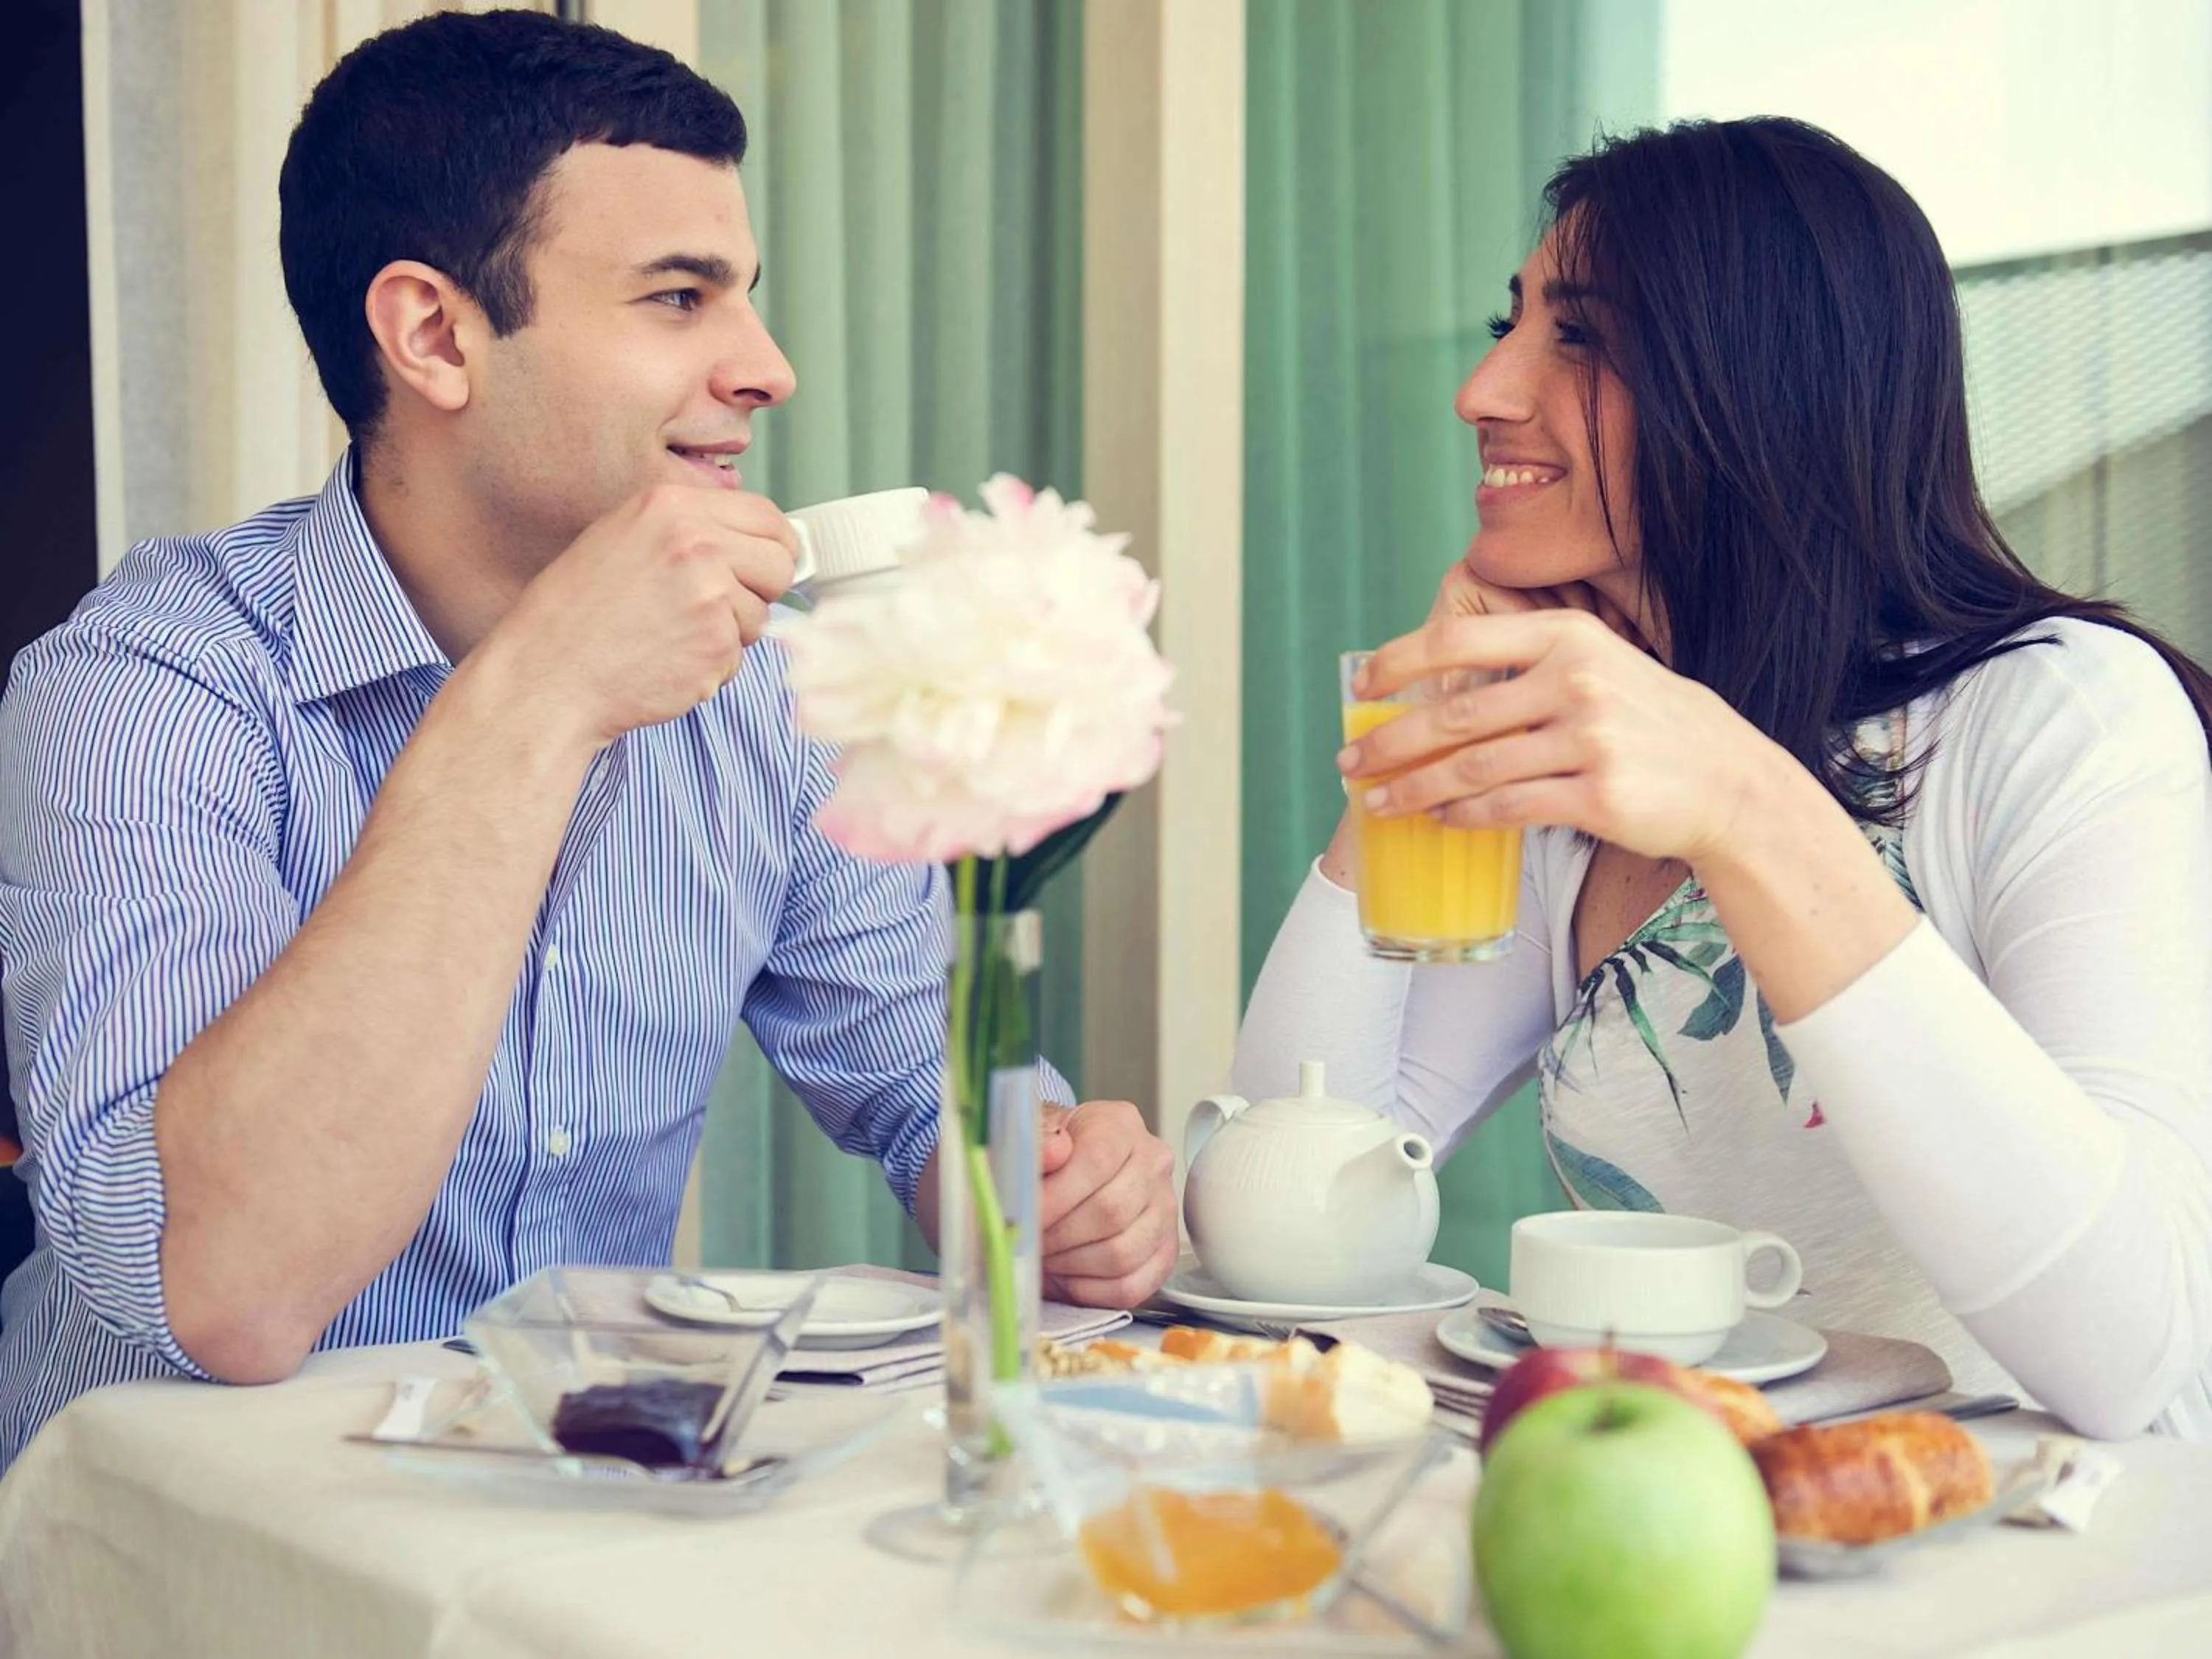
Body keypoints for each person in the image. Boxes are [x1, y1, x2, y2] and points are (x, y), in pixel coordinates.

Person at [0, 10, 1176, 1475]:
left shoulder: (764, 700)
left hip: (562, 1532)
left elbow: (921, 1103)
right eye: (679, 299)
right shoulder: (152, 684)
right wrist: (543, 690)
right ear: (435, 334)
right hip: (173, 1560)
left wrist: (1059, 1189)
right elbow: (220, 1289)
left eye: (745, 295)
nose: (769, 367)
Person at [1235, 116, 2212, 1439]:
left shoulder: (2062, 714)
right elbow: (1297, 1209)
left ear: (1760, 386)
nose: (1483, 388)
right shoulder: (1585, 771)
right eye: (1508, 323)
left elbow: (2138, 1358)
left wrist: (1746, 809)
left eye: (1576, 336)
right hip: (1668, 1544)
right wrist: (1413, 748)